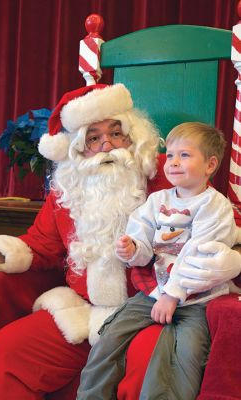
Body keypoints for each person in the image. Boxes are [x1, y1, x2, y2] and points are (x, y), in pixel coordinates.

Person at [0, 84, 240, 400]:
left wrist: (232, 258)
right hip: (82, 311)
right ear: (76, 148)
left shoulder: (167, 175)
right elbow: (40, 245)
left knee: (148, 363)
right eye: (93, 138)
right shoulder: (68, 189)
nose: (107, 145)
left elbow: (224, 228)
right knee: (7, 353)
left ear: (133, 136)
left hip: (154, 306)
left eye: (117, 134)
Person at [76, 122, 241, 400]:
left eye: (185, 155)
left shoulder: (214, 206)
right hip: (153, 293)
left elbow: (199, 256)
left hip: (197, 299)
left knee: (184, 356)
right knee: (110, 339)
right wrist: (133, 249)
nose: (173, 162)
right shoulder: (157, 200)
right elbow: (143, 242)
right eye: (171, 153)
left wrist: (173, 296)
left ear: (210, 165)